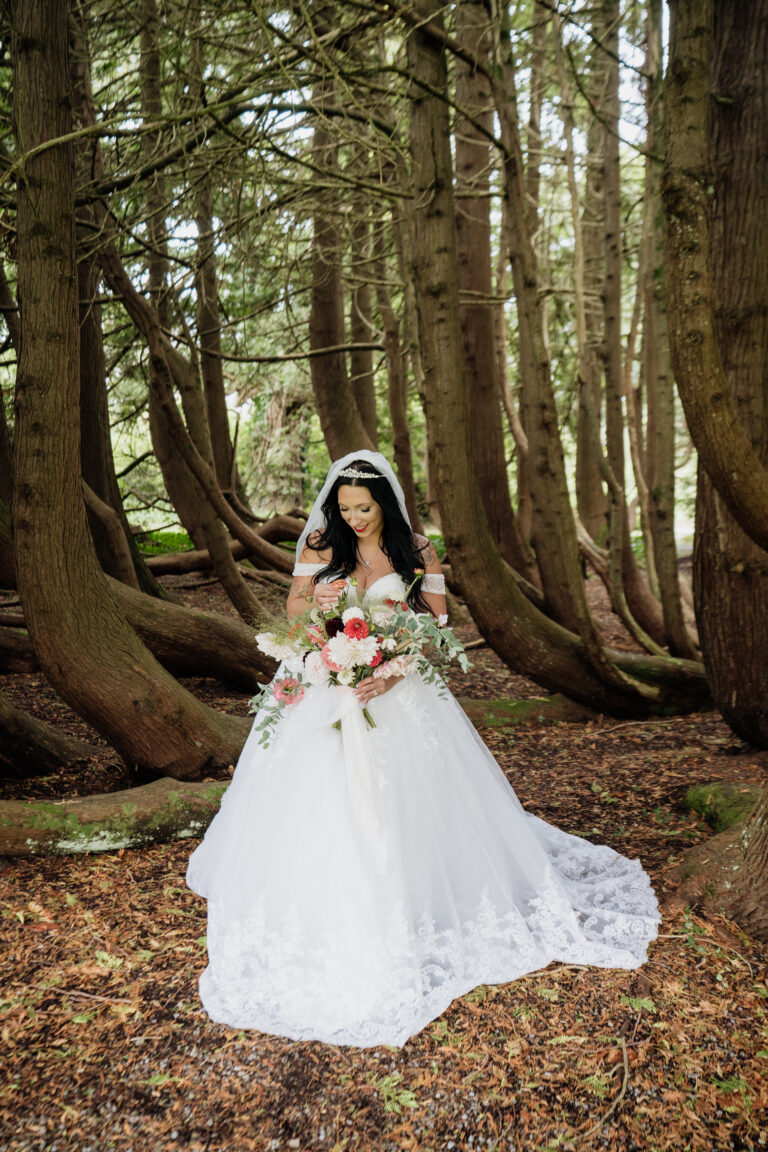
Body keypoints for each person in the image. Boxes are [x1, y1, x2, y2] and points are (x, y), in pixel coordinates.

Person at [186, 449, 660, 1048]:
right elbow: (296, 610)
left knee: (405, 799)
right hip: (323, 683)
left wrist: (392, 669)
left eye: (364, 507)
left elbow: (437, 629)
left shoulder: (419, 552)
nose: (354, 518)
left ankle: (414, 895)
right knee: (314, 797)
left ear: (385, 501)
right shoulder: (318, 540)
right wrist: (320, 615)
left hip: (396, 690)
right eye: (344, 507)